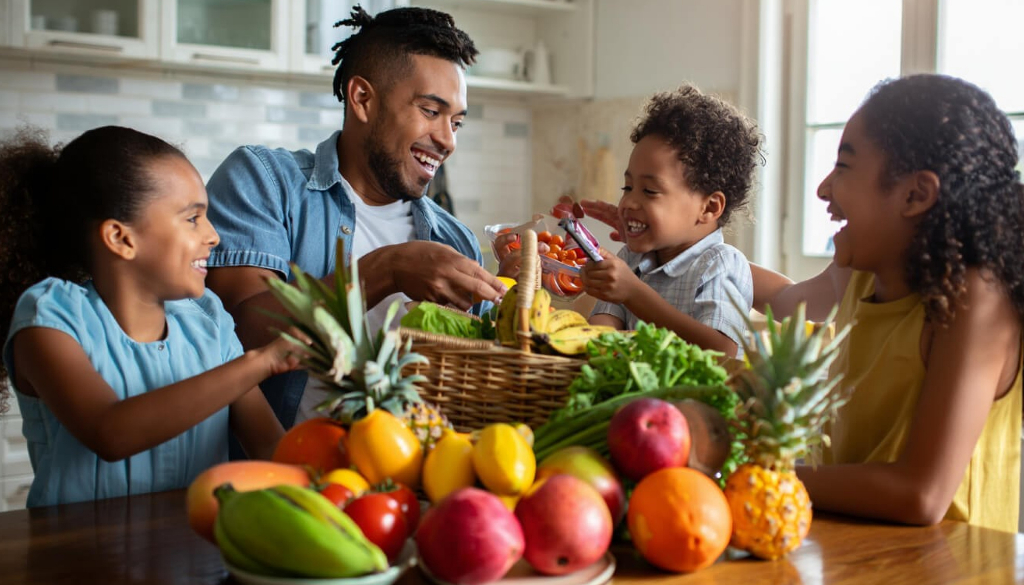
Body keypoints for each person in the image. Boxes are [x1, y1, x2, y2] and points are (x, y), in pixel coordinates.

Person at [204, 6, 510, 429]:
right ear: (362, 99)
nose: (447, 140)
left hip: (409, 484)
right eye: (430, 111)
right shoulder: (265, 182)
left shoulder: (451, 237)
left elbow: (464, 389)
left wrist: (510, 303)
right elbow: (235, 334)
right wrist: (386, 269)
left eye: (456, 122)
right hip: (284, 476)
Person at [756, 74, 1023, 532]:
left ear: (915, 195)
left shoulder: (974, 297)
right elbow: (783, 299)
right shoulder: (864, 276)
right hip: (860, 558)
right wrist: (679, 250)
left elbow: (921, 494)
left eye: (843, 167)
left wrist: (760, 475)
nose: (823, 190)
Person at [0, 126, 298, 507]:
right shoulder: (48, 319)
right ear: (121, 238)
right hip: (76, 562)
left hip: (194, 559)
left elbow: (272, 447)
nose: (213, 236)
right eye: (193, 219)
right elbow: (110, 433)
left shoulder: (209, 321)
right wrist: (263, 362)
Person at [579, 84, 763, 358]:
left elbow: (721, 351)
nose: (629, 202)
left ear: (709, 207)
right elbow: (602, 328)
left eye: (650, 191)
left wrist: (634, 294)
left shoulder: (721, 264)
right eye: (627, 188)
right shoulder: (630, 258)